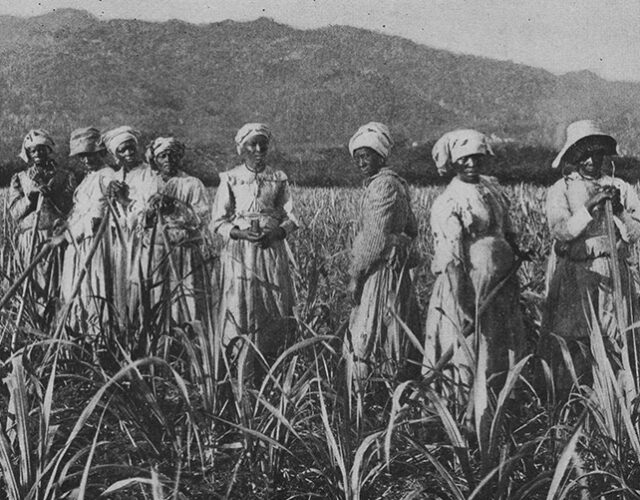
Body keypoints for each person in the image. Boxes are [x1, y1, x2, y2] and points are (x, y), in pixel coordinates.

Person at [423, 129, 525, 390]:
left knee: (501, 339)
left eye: (477, 158)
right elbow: (451, 258)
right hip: (469, 285)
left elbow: (505, 226)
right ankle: (468, 409)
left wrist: (515, 249)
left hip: (500, 282)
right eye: (464, 159)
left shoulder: (491, 187)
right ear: (453, 162)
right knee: (473, 342)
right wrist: (464, 303)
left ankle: (502, 398)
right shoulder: (449, 201)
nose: (471, 164)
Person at [542, 120, 640, 388]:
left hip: (614, 272)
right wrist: (589, 206)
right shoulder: (561, 189)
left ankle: (615, 400)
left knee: (616, 334)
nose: (591, 160)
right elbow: (561, 231)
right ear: (573, 157)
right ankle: (577, 402)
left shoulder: (619, 186)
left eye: (596, 153)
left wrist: (618, 210)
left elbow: (634, 233)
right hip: (579, 274)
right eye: (584, 154)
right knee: (578, 336)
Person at [211, 123, 298, 381]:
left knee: (271, 302)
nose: (259, 149)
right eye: (253, 145)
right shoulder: (230, 178)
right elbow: (218, 222)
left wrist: (275, 233)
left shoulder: (278, 178)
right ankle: (239, 367)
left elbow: (291, 217)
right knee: (240, 303)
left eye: (263, 144)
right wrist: (241, 233)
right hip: (240, 253)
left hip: (270, 252)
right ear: (242, 149)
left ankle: (272, 367)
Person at [344, 122, 421, 385]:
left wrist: (356, 275)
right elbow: (412, 227)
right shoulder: (397, 184)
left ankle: (369, 396)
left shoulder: (381, 187)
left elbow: (373, 240)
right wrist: (398, 240)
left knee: (371, 328)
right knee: (395, 325)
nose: (361, 162)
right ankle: (394, 388)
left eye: (367, 156)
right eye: (357, 158)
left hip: (379, 272)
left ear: (380, 156)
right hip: (396, 271)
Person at [142, 137, 212, 326]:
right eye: (163, 156)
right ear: (155, 159)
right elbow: (138, 217)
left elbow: (202, 217)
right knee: (158, 294)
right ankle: (161, 340)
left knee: (185, 295)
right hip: (156, 250)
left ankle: (187, 340)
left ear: (179, 158)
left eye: (172, 155)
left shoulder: (191, 183)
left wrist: (176, 206)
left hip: (185, 250)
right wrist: (150, 211)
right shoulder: (147, 183)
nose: (168, 160)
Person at [9, 129, 76, 319]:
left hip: (55, 237)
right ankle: (32, 324)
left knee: (56, 283)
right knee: (32, 284)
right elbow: (14, 213)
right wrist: (30, 198)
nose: (38, 154)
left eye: (41, 149)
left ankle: (56, 323)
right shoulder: (20, 178)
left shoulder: (64, 175)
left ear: (49, 150)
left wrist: (52, 194)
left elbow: (71, 207)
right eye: (33, 151)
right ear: (28, 154)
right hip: (30, 237)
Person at [59, 127, 118, 335]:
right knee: (77, 288)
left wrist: (70, 233)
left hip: (95, 242)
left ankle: (98, 338)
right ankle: (80, 334)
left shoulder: (108, 176)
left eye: (90, 154)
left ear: (100, 152)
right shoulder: (89, 178)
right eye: (82, 156)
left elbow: (101, 214)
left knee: (93, 287)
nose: (86, 160)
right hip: (78, 242)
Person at [101, 126, 159, 326]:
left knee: (140, 286)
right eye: (122, 150)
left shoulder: (149, 174)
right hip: (120, 243)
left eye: (131, 148)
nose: (128, 153)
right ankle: (123, 333)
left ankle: (144, 333)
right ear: (115, 154)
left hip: (142, 241)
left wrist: (125, 201)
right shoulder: (114, 178)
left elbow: (149, 211)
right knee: (121, 287)